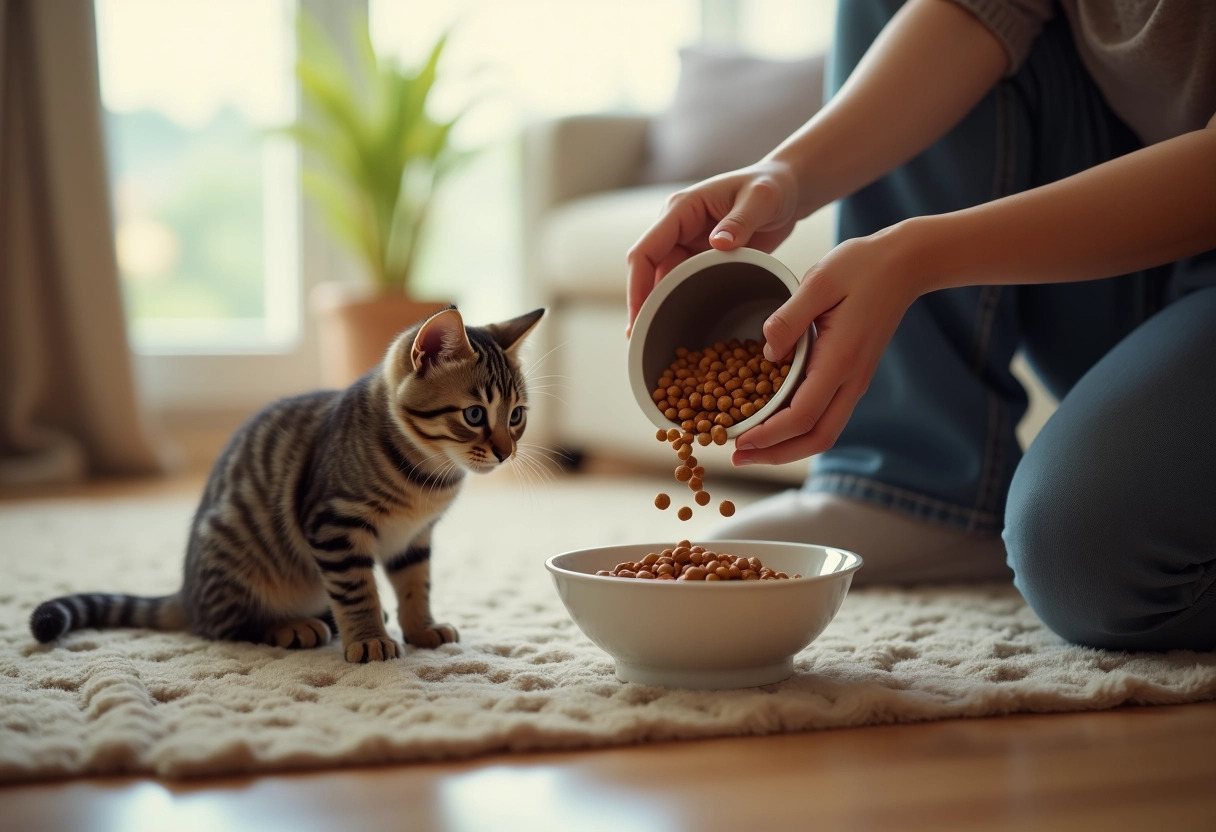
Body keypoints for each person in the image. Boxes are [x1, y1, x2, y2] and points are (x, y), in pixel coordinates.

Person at [625, 0, 1216, 652]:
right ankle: (915, 484)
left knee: (1089, 557)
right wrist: (787, 173)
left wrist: (916, 256)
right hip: (1127, 255)